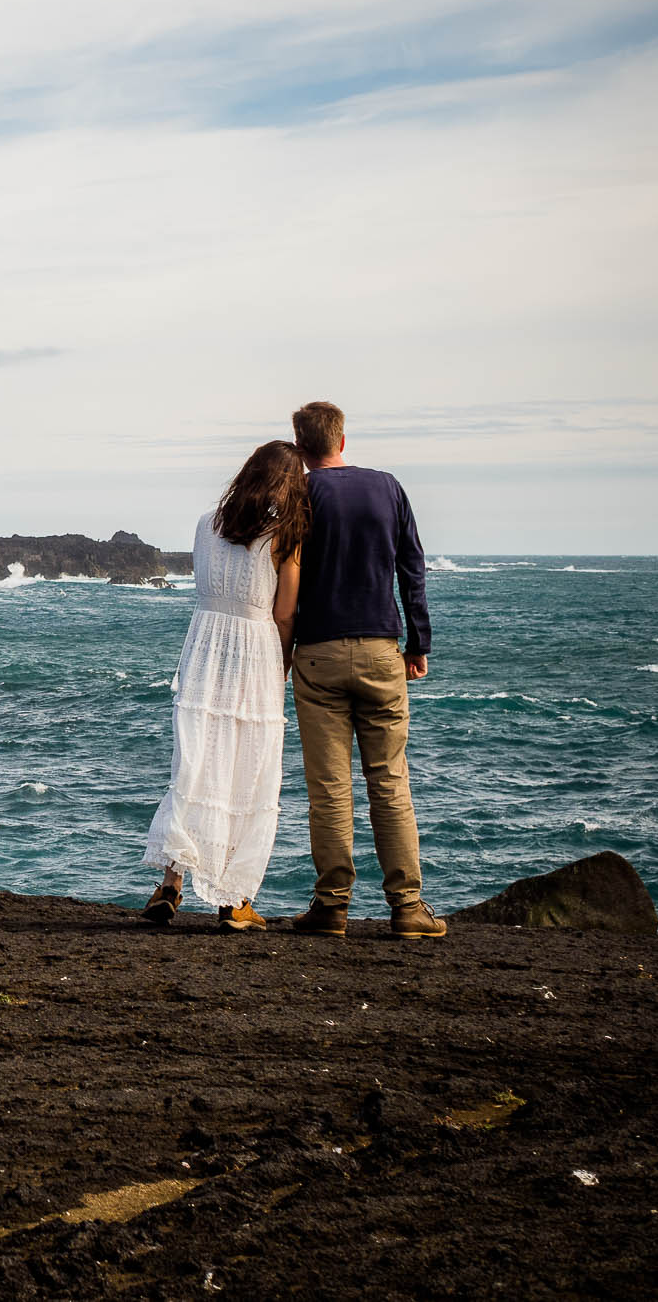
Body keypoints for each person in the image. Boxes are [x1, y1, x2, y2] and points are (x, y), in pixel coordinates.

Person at [285, 401, 444, 939]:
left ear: (300, 447)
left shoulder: (300, 494)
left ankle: (332, 907)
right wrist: (418, 642)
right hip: (381, 649)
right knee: (390, 781)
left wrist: (280, 649)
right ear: (342, 440)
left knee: (329, 788)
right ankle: (407, 907)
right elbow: (412, 567)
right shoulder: (388, 487)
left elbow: (282, 575)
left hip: (317, 651)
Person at [141, 441, 307, 931]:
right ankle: (234, 901)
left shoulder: (206, 523)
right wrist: (285, 662)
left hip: (205, 647)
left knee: (196, 764)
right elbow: (284, 613)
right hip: (255, 649)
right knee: (250, 771)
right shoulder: (284, 535)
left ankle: (170, 884)